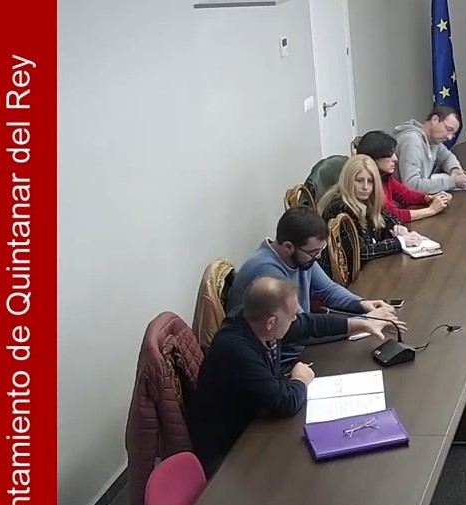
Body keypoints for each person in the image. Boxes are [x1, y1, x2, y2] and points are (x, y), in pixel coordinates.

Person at [188, 276, 405, 477]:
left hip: (256, 421)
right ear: (271, 322)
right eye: (291, 316)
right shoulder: (237, 350)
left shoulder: (256, 319)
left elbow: (307, 325)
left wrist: (362, 323)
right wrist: (300, 379)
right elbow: (285, 403)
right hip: (230, 453)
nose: (295, 320)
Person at [229, 206, 398, 362]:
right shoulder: (266, 273)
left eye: (320, 251)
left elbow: (329, 290)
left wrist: (361, 304)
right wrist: (364, 321)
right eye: (314, 252)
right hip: (285, 360)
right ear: (288, 247)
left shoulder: (301, 257)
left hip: (301, 347)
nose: (317, 257)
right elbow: (300, 329)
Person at [317, 154, 439, 262]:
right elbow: (360, 253)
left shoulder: (367, 199)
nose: (365, 187)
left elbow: (388, 217)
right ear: (348, 181)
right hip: (349, 277)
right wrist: (400, 242)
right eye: (359, 180)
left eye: (370, 181)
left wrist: (397, 227)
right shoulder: (339, 208)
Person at [354, 130, 451, 222]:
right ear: (374, 157)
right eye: (389, 155)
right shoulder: (368, 185)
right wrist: (431, 210)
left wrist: (428, 198)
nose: (395, 159)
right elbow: (392, 215)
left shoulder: (385, 176)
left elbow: (404, 194)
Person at [394, 106, 466, 192]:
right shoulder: (411, 142)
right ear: (435, 120)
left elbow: (447, 157)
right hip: (400, 199)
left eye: (453, 134)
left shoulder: (432, 140)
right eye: (449, 129)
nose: (449, 137)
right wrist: (453, 182)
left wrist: (455, 171)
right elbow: (411, 185)